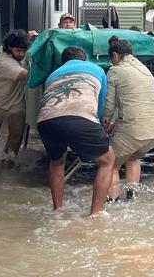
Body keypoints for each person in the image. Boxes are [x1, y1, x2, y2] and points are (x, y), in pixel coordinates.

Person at [37, 46, 115, 216]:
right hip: (80, 117)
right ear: (84, 58)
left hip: (46, 121)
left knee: (56, 161)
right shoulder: (97, 69)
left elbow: (47, 100)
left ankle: (57, 210)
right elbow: (100, 106)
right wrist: (101, 125)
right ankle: (96, 214)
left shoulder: (53, 74)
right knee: (107, 161)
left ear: (63, 62)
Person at [101, 36, 154, 201]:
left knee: (111, 164)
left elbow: (109, 104)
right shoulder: (144, 68)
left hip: (134, 127)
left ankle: (112, 203)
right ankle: (131, 197)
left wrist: (105, 122)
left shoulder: (116, 70)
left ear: (115, 56)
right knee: (133, 158)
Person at [0, 30, 31, 161]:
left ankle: (8, 162)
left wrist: (34, 37)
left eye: (24, 50)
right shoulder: (2, 62)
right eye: (19, 51)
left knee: (17, 133)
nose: (22, 54)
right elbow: (27, 76)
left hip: (16, 100)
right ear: (9, 48)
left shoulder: (13, 47)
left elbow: (29, 36)